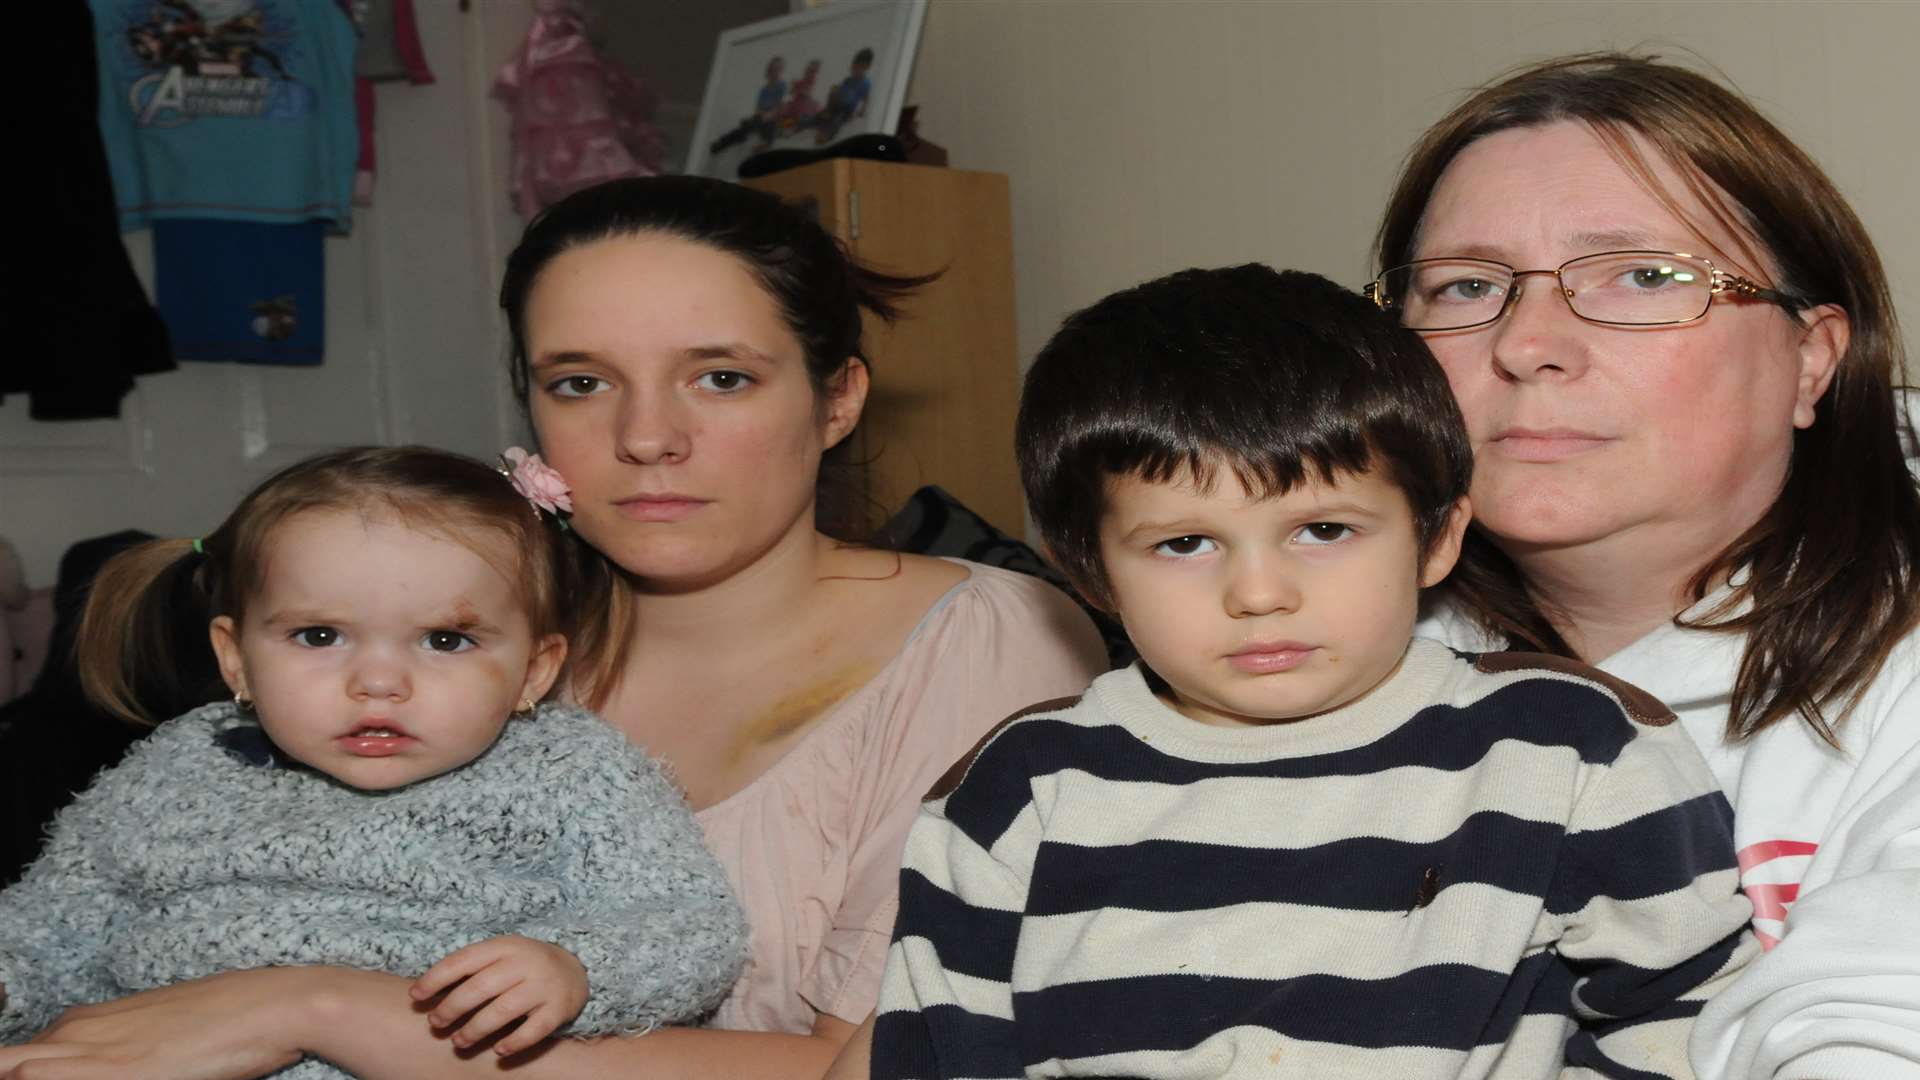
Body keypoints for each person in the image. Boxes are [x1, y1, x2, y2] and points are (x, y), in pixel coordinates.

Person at [0, 177, 1107, 1080]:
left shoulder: (993, 642)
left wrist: (317, 1007)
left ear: (838, 398)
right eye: (581, 381)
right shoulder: (455, 641)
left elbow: (862, 1064)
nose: (645, 437)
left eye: (720, 377)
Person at [871, 265, 1756, 1079]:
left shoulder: (1570, 750)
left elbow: (1690, 1025)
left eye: (1323, 530)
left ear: (1437, 535)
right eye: (1185, 543)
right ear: (1089, 571)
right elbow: (938, 1055)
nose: (1260, 593)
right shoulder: (1016, 795)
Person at [1368, 52, 1920, 1079]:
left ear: (1812, 358)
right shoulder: (1289, 660)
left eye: (1642, 274)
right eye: (1468, 285)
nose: (1529, 343)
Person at [0, 445, 747, 1075]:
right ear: (236, 659)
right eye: (320, 636)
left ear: (534, 671)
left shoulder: (571, 770)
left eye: (446, 640)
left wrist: (578, 968)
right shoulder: (173, 770)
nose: (379, 683)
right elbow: (51, 934)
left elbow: (690, 926)